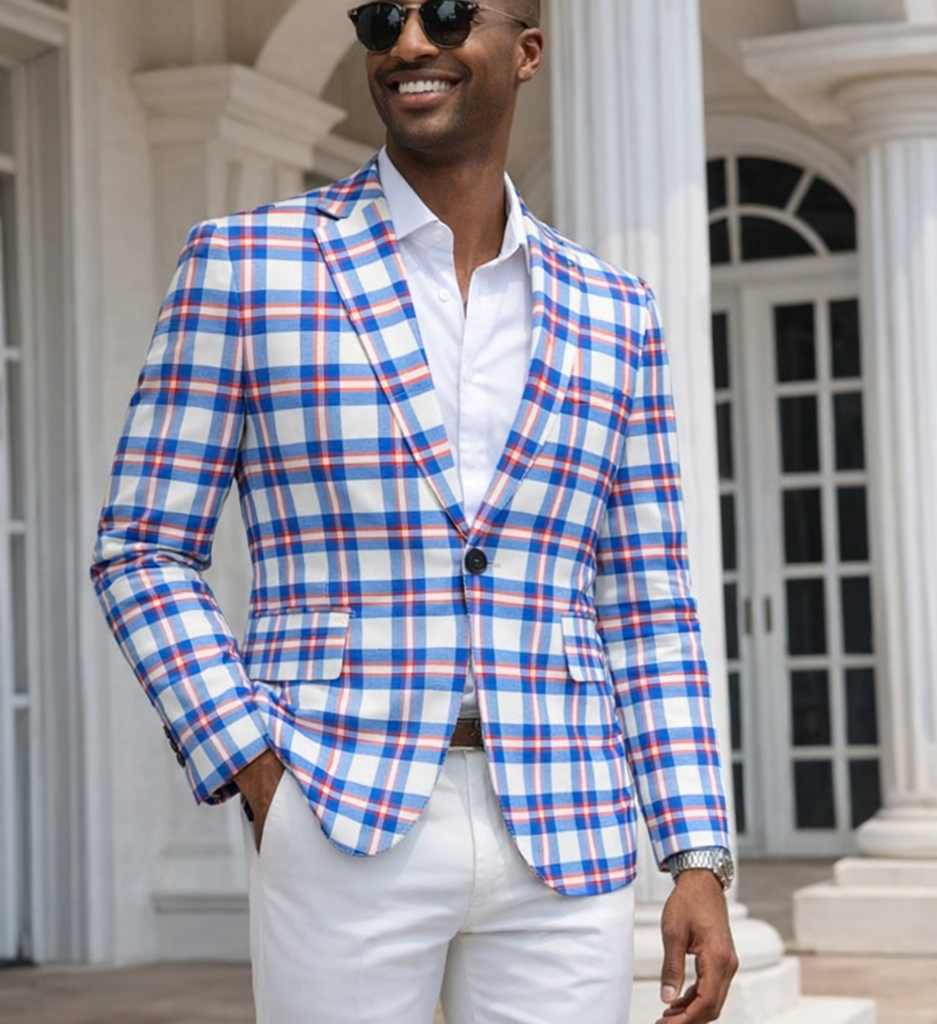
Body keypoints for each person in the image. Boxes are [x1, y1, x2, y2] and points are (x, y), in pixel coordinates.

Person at [91, 2, 738, 1022]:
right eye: (380, 17)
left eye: (445, 13)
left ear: (525, 51)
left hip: (567, 822)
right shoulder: (248, 265)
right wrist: (259, 769)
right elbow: (141, 546)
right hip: (342, 801)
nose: (407, 44)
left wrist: (694, 852)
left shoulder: (615, 310)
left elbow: (646, 594)